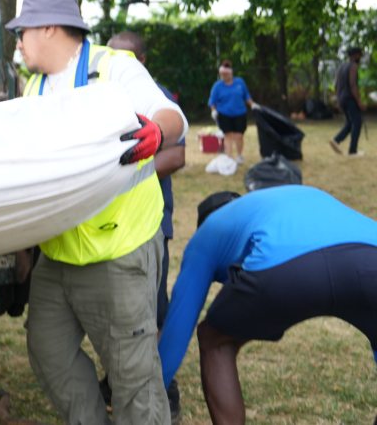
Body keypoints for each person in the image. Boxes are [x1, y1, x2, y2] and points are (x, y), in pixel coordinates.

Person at [8, 0, 188, 424]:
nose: (17, 42)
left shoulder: (113, 70)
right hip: (60, 253)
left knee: (133, 377)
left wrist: (156, 134)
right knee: (47, 349)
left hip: (118, 252)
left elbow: (173, 117)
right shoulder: (34, 88)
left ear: (49, 28)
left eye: (22, 32)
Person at [158, 186, 377, 425]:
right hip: (369, 255)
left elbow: (178, 328)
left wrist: (150, 391)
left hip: (286, 260)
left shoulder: (207, 234)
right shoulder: (272, 203)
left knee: (214, 340)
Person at [105, 30, 186, 421]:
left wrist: (128, 172)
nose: (117, 65)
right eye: (112, 56)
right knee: (118, 307)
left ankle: (164, 384)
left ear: (142, 62)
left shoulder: (158, 94)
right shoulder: (100, 93)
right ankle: (116, 379)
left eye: (127, 58)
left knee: (153, 307)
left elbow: (178, 156)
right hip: (110, 224)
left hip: (153, 218)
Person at [208, 60, 258, 165]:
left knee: (239, 136)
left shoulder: (240, 82)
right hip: (224, 114)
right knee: (228, 135)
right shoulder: (217, 86)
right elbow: (212, 101)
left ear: (230, 73)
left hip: (240, 113)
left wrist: (252, 105)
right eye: (221, 74)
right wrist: (213, 111)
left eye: (225, 74)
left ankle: (239, 156)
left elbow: (246, 96)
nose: (223, 76)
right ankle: (229, 158)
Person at [330, 46, 365, 156]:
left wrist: (338, 100)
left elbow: (336, 85)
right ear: (355, 55)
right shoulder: (353, 66)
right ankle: (353, 151)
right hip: (350, 98)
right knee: (357, 122)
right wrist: (359, 102)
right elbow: (353, 85)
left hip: (342, 98)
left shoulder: (341, 66)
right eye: (360, 55)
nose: (361, 57)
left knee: (350, 123)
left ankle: (336, 140)